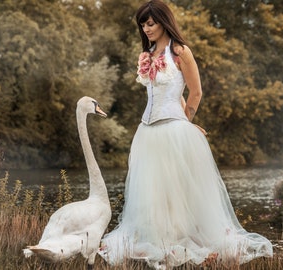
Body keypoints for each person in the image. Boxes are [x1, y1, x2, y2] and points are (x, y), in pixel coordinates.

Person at [98, 0, 273, 269]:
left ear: (163, 21)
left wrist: (186, 122)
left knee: (178, 191)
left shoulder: (180, 52)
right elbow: (170, 93)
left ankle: (184, 240)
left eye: (151, 23)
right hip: (146, 132)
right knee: (153, 191)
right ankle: (160, 239)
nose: (146, 28)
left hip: (174, 130)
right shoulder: (147, 54)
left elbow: (195, 92)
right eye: (143, 24)